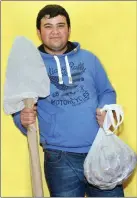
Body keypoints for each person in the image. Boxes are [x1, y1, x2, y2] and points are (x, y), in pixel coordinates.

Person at [12, 4, 124, 197]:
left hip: (100, 149)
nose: (55, 32)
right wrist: (21, 118)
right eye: (48, 26)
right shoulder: (30, 67)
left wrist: (106, 110)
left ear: (69, 29)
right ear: (39, 32)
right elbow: (19, 108)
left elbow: (107, 91)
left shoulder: (90, 59)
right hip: (60, 158)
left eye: (60, 25)